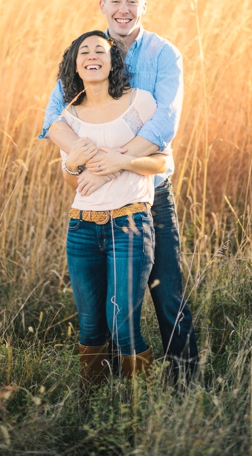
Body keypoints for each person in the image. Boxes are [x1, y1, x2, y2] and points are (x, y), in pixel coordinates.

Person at [40, 0, 199, 382]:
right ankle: (108, 388)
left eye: (132, 1)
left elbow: (166, 122)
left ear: (144, 7)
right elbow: (53, 120)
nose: (124, 9)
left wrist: (119, 160)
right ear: (103, 5)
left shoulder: (164, 54)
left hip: (150, 193)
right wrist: (88, 162)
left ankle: (184, 382)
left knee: (166, 293)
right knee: (107, 311)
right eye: (116, 0)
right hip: (95, 201)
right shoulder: (87, 50)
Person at [55, 31, 168, 385]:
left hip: (129, 224)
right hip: (82, 227)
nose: (92, 55)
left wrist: (120, 161)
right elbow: (76, 183)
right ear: (75, 64)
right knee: (90, 326)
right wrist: (73, 166)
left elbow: (161, 163)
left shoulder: (141, 103)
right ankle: (94, 403)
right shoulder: (68, 119)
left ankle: (137, 403)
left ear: (111, 61)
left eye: (99, 50)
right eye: (83, 51)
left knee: (122, 321)